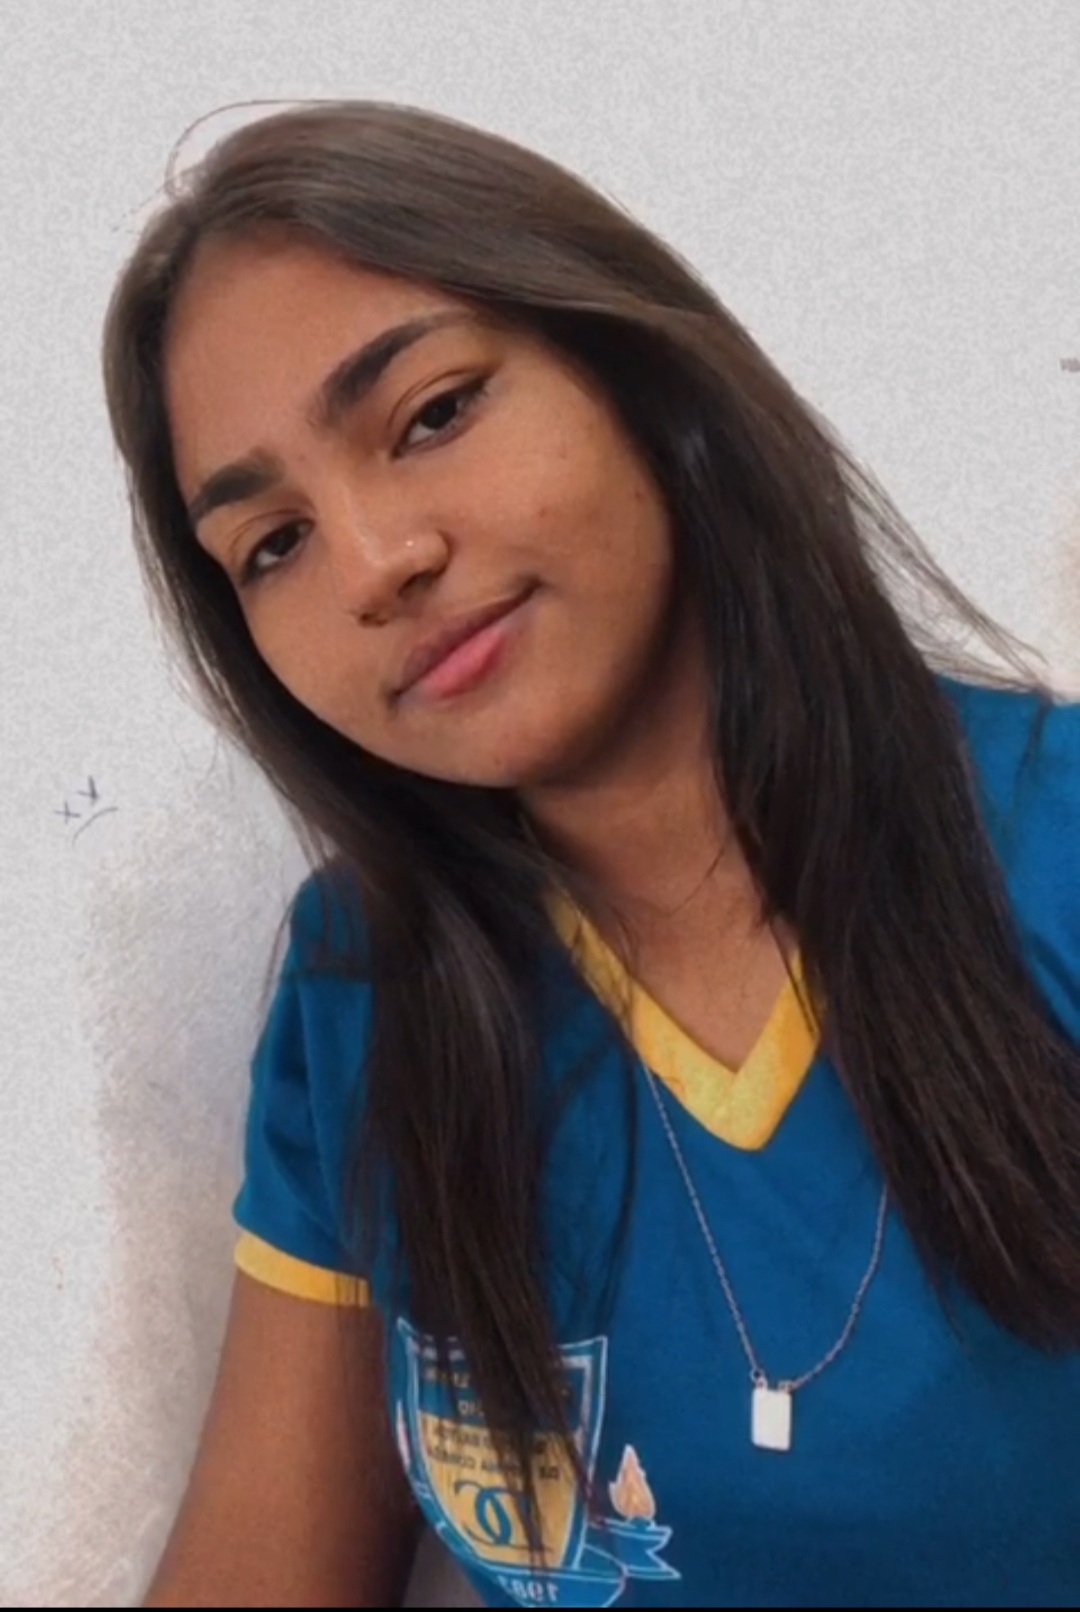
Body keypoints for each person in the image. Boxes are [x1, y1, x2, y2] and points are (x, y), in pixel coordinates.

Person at [101, 99, 1080, 1611]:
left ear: (638, 375)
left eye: (432, 414)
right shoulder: (368, 982)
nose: (373, 564)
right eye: (272, 544)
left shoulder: (1049, 842)